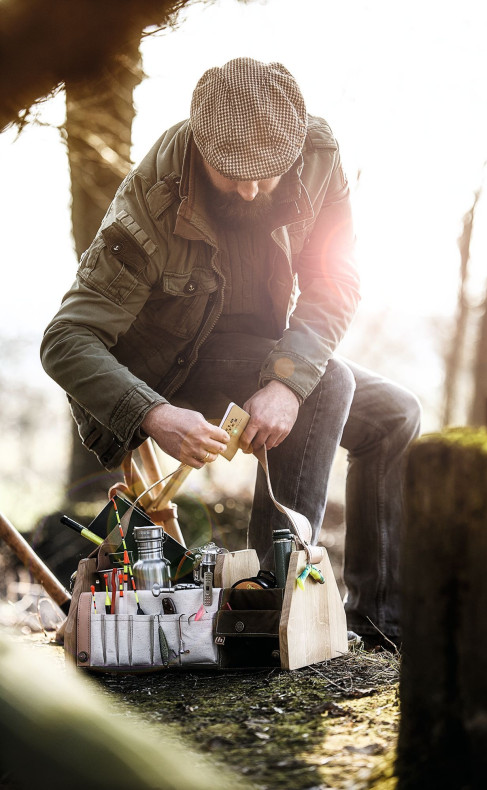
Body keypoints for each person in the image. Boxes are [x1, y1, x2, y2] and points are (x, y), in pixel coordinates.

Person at [41, 57, 420, 649]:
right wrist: (152, 414)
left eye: (264, 175)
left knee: (396, 414)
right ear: (200, 143)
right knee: (328, 382)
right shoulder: (152, 204)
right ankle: (266, 616)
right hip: (168, 369)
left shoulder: (316, 160)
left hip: (262, 352)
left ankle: (376, 624)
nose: (248, 189)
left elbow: (335, 280)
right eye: (230, 172)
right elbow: (65, 340)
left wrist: (283, 381)